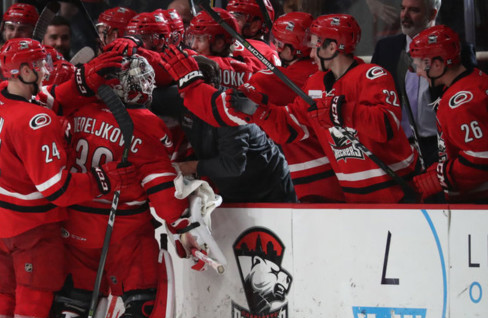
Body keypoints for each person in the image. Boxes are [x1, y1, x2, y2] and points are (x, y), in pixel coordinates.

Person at [0, 38, 137, 318]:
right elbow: (58, 189)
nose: (47, 70)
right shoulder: (35, 122)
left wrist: (86, 80)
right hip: (29, 229)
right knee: (31, 306)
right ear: (23, 71)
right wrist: (103, 178)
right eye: (40, 65)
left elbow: (49, 97)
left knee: (3, 299)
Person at [44, 54, 207, 318]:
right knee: (140, 309)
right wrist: (184, 225)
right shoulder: (146, 124)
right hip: (124, 236)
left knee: (68, 317)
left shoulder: (77, 111)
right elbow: (163, 196)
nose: (147, 88)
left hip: (71, 232)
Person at [164, 14, 420, 203]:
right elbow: (291, 128)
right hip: (352, 197)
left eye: (315, 43)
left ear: (332, 47)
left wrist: (338, 109)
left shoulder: (373, 74)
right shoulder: (315, 82)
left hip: (396, 192)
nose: (310, 51)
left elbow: (385, 126)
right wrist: (258, 112)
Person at [245, 12, 344, 202]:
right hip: (347, 172)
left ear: (290, 50)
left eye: (279, 43)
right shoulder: (334, 71)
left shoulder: (271, 80)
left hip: (314, 181)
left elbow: (232, 100)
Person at [176, 54, 297, 203]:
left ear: (209, 88)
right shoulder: (183, 100)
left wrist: (189, 167)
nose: (183, 95)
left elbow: (233, 165)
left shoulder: (232, 111)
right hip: (233, 188)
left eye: (191, 89)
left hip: (270, 189)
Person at [409, 25, 488, 203]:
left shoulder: (459, 104)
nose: (418, 73)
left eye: (420, 66)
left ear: (437, 64)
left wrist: (441, 176)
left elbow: (481, 158)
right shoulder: (477, 78)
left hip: (478, 204)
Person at [371, 0, 441, 167]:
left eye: (414, 10)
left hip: (437, 147)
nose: (404, 15)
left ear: (432, 14)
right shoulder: (385, 48)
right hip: (396, 145)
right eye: (403, 9)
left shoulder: (455, 49)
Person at [183, 8, 254, 91]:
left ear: (219, 43)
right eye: (193, 38)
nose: (194, 46)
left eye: (200, 39)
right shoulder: (246, 67)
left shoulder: (198, 61)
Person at [226, 0, 281, 70]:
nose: (229, 23)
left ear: (254, 26)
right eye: (229, 16)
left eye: (236, 18)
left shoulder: (262, 51)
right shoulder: (270, 51)